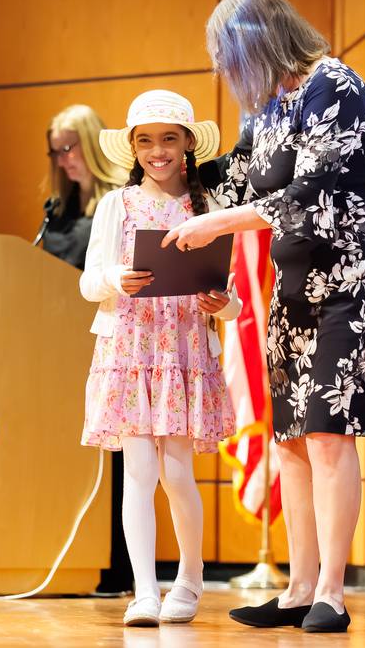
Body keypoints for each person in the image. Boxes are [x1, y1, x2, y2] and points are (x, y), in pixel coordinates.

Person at [164, 0, 365, 633]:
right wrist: (168, 164)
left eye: (226, 55)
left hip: (355, 279)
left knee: (330, 431)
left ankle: (332, 589)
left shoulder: (334, 84)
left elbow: (311, 195)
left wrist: (217, 225)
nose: (224, 71)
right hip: (296, 285)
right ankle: (299, 586)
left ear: (258, 42)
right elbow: (238, 177)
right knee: (292, 438)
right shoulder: (266, 109)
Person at [80, 90, 241, 627]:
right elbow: (88, 281)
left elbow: (233, 294)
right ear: (132, 148)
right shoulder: (114, 205)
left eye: (169, 138)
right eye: (145, 141)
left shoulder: (210, 210)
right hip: (129, 349)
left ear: (188, 144)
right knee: (138, 475)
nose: (157, 151)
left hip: (184, 350)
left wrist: (224, 302)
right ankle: (144, 590)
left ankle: (190, 579)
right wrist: (114, 279)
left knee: (177, 475)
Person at [38, 104, 126, 270]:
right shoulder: (58, 205)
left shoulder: (125, 197)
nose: (60, 162)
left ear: (91, 143)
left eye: (65, 149)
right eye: (55, 153)